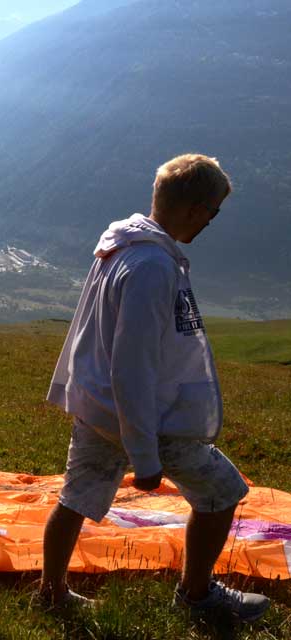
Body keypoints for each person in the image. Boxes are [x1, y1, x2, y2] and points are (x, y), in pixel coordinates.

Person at [39, 154, 269, 622]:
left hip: (101, 408)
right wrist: (145, 456)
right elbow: (134, 366)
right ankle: (197, 594)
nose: (211, 223)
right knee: (222, 492)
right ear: (194, 209)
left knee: (75, 497)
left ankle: (52, 592)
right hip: (147, 416)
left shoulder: (122, 247)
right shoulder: (151, 266)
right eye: (212, 212)